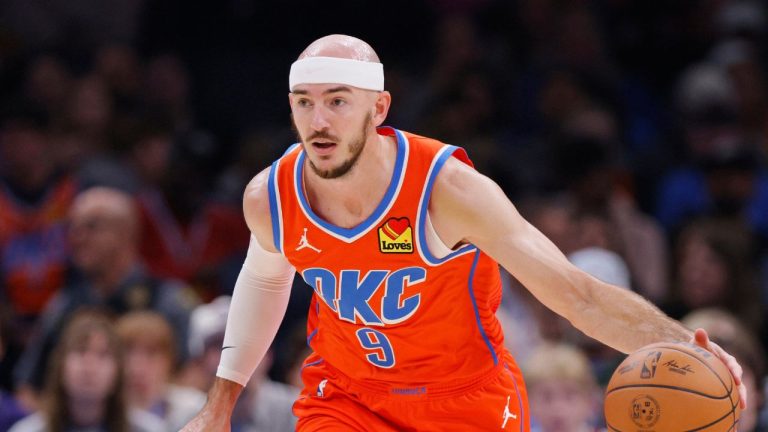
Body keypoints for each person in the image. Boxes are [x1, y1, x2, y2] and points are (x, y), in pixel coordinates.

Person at [182, 34, 747, 431]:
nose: (319, 121)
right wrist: (220, 402)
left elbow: (576, 295)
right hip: (350, 399)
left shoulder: (447, 191)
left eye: (337, 102)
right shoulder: (270, 196)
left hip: (466, 402)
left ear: (378, 108)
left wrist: (683, 347)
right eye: (305, 103)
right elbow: (262, 284)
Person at [13, 187, 197, 405]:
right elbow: (29, 387)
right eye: (72, 227)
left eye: (91, 226)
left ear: (126, 233)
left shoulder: (167, 301)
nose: (77, 237)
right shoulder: (64, 304)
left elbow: (194, 376)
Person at [9, 309, 164, 432]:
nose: (90, 365)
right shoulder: (27, 430)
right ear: (60, 366)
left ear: (118, 371)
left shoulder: (150, 429)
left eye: (102, 355)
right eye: (80, 351)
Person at [115, 311, 206, 432]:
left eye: (151, 353)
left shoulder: (195, 409)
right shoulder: (101, 414)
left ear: (169, 360)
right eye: (129, 352)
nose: (138, 364)